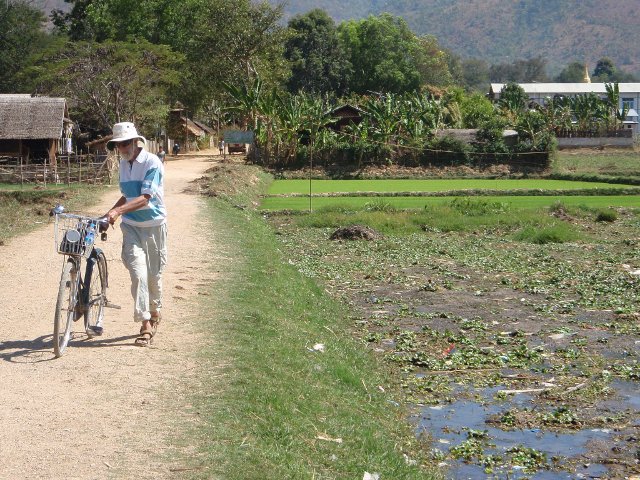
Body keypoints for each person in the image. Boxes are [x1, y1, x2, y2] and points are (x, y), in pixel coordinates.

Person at [105, 122, 167, 347]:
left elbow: (145, 198)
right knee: (138, 274)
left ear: (135, 141)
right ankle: (145, 322)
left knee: (153, 275)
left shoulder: (152, 163)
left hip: (153, 225)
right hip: (131, 226)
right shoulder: (123, 164)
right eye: (118, 145)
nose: (121, 148)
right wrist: (109, 214)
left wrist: (118, 211)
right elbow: (127, 196)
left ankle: (155, 311)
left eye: (125, 143)